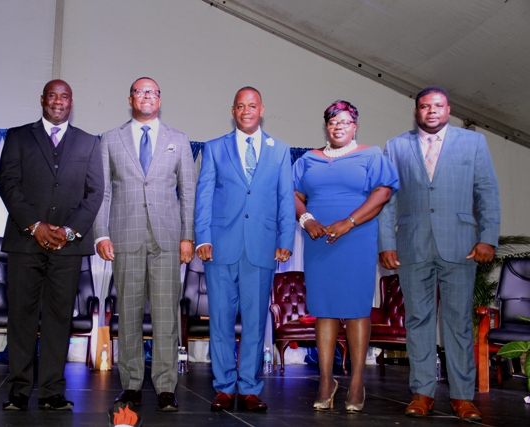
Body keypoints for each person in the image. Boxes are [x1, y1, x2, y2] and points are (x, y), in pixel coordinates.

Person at [378, 86, 500, 421]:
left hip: (461, 246)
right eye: (424, 106)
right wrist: (386, 243)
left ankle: (463, 397)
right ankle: (422, 393)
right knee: (417, 320)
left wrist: (488, 237)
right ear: (416, 111)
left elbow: (486, 191)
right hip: (412, 245)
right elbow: (387, 201)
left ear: (449, 109)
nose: (431, 111)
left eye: (438, 105)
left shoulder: (473, 143)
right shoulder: (396, 146)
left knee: (458, 322)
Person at [0, 79, 104, 411]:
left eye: (65, 96)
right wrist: (35, 225)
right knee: (22, 316)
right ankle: (18, 390)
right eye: (52, 95)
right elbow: (8, 184)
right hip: (24, 242)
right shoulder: (18, 137)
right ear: (42, 99)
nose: (58, 101)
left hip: (68, 246)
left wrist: (70, 231)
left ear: (72, 102)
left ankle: (52, 392)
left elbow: (95, 193)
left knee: (60, 317)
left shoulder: (88, 142)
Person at [94, 77, 196, 412]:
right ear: (130, 99)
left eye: (152, 91)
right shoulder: (110, 139)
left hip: (167, 239)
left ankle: (166, 387)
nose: (146, 96)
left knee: (167, 316)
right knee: (130, 314)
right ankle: (132, 386)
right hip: (125, 237)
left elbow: (188, 195)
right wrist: (101, 233)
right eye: (140, 91)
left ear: (160, 99)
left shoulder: (179, 140)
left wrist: (187, 236)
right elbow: (103, 192)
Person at [293, 100, 398, 413]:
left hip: (357, 237)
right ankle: (326, 380)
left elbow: (383, 193)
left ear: (355, 125)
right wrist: (307, 219)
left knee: (355, 309)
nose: (338, 126)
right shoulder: (308, 159)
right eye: (332, 121)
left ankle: (355, 381)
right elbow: (293, 195)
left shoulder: (371, 154)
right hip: (319, 239)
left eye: (344, 121)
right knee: (323, 310)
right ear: (326, 126)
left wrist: (349, 221)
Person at [195, 86, 295, 412]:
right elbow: (204, 195)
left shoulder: (280, 151)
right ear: (233, 110)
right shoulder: (213, 148)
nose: (246, 111)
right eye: (241, 106)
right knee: (220, 321)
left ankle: (250, 388)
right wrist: (203, 237)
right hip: (220, 248)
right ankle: (224, 387)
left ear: (261, 109)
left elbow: (285, 198)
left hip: (262, 247)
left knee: (255, 322)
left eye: (252, 105)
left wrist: (284, 241)